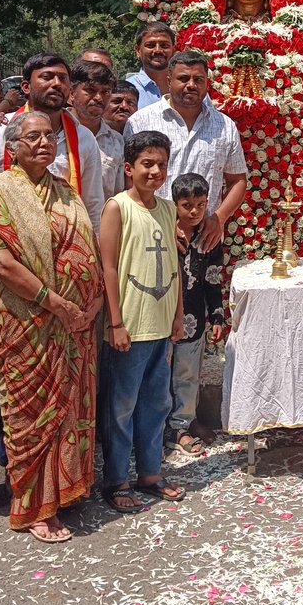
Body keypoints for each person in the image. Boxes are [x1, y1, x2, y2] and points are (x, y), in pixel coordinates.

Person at [0, 113, 103, 543]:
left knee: (70, 409)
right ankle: (35, 507)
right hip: (26, 324)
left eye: (49, 136)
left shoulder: (65, 191)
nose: (45, 142)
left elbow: (87, 248)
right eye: (34, 136)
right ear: (13, 145)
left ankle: (66, 490)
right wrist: (56, 303)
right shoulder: (1, 192)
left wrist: (92, 302)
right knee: (30, 414)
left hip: (73, 328)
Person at [98, 130, 185, 512]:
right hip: (130, 325)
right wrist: (115, 322)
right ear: (129, 168)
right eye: (147, 164)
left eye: (162, 165)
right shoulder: (117, 207)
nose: (155, 171)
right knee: (122, 406)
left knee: (157, 403)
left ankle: (150, 472)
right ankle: (116, 478)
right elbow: (109, 265)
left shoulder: (167, 209)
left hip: (161, 323)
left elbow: (173, 268)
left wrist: (178, 315)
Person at [124, 51, 247, 252]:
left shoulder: (224, 126)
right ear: (169, 80)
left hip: (206, 238)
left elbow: (238, 181)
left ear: (207, 83)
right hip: (153, 235)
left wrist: (219, 218)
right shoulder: (141, 122)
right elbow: (129, 181)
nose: (191, 85)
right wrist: (160, 221)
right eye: (183, 78)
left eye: (198, 79)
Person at [0, 53, 105, 232]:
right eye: (47, 77)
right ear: (26, 87)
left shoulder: (84, 137)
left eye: (63, 78)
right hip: (8, 242)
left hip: (66, 246)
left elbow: (93, 204)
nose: (56, 84)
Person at [167, 173, 226, 454]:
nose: (194, 211)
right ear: (175, 204)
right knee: (162, 373)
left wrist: (216, 316)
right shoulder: (164, 233)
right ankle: (161, 427)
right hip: (165, 317)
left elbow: (213, 279)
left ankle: (183, 423)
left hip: (194, 318)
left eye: (200, 205)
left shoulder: (210, 237)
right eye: (187, 205)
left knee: (188, 373)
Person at [69, 61, 124, 199]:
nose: (99, 98)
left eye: (105, 92)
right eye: (91, 90)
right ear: (71, 93)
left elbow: (118, 195)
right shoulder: (54, 132)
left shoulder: (116, 141)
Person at [125, 22, 176, 110]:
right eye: (150, 45)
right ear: (138, 51)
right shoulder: (125, 90)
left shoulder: (189, 87)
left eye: (164, 45)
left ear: (173, 50)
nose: (158, 50)